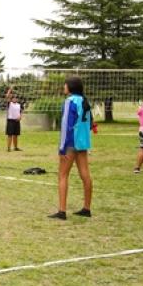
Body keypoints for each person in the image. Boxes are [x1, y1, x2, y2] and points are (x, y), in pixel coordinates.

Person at [50, 76, 93, 220]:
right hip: (83, 142)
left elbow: (65, 126)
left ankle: (62, 211)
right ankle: (86, 208)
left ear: (70, 87)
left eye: (65, 85)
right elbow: (91, 122)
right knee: (85, 174)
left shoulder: (70, 101)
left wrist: (62, 148)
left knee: (62, 175)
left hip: (71, 142)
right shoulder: (85, 101)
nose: (64, 87)